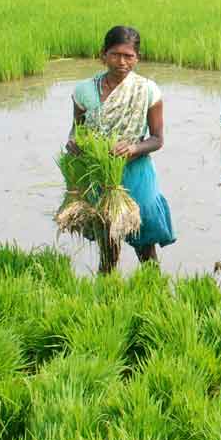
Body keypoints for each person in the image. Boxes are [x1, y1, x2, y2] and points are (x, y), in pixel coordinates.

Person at [69, 25, 175, 271]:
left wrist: (134, 148)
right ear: (103, 54)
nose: (121, 61)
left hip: (135, 170)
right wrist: (73, 141)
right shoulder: (84, 91)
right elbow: (76, 129)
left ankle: (151, 284)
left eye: (129, 56)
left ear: (137, 58)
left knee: (144, 234)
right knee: (108, 235)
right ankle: (108, 286)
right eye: (115, 54)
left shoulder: (147, 90)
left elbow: (157, 139)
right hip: (99, 173)